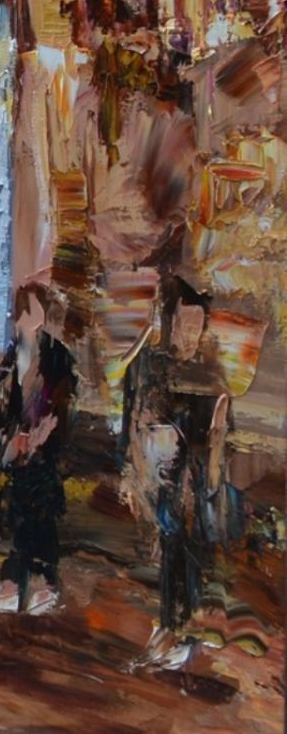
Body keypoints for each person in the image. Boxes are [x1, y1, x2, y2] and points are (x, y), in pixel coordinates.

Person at [121, 276, 231, 665]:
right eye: (185, 322)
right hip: (161, 473)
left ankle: (181, 629)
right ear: (171, 322)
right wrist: (131, 469)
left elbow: (218, 435)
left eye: (198, 324)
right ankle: (172, 624)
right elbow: (133, 417)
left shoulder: (210, 373)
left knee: (186, 548)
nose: (190, 331)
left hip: (194, 480)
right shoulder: (151, 365)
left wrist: (210, 461)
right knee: (170, 547)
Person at [0, 282, 76, 620]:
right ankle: (13, 583)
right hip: (16, 450)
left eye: (36, 310)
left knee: (39, 513)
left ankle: (44, 583)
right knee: (17, 514)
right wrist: (7, 443)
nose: (31, 318)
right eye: (27, 311)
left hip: (44, 451)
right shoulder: (10, 358)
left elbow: (64, 401)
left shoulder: (57, 355)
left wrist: (46, 430)